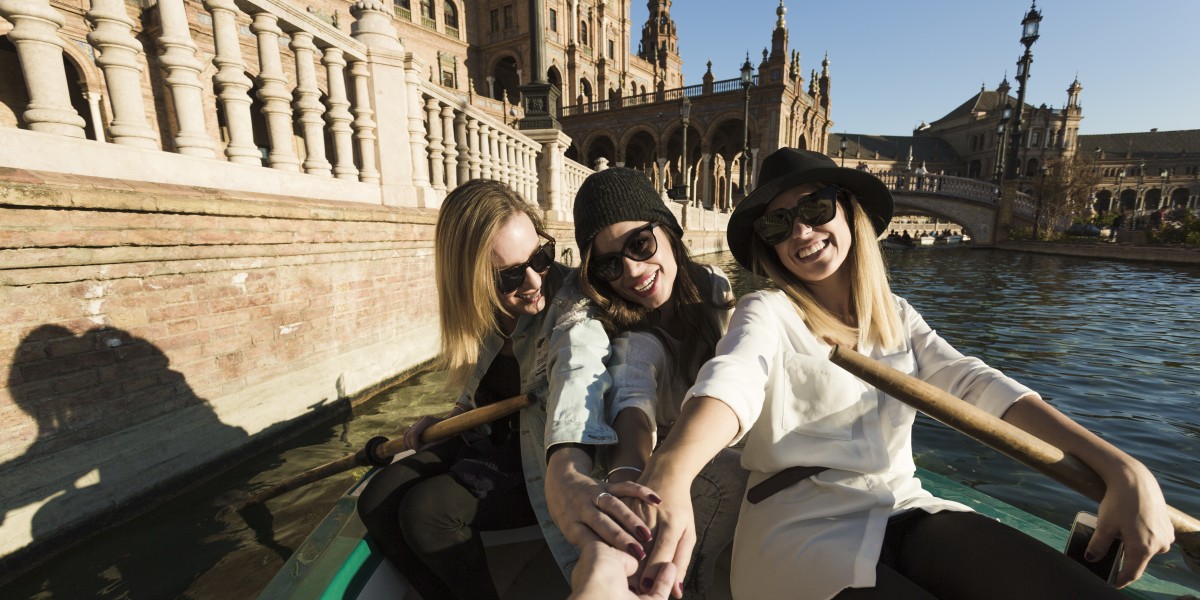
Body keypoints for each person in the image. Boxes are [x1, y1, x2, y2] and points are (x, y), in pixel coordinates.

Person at [631, 149, 1174, 599]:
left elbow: (976, 385)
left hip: (900, 504)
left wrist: (1123, 468)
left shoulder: (897, 315)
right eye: (777, 224)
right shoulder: (768, 311)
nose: (801, 230)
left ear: (848, 211)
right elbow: (733, 381)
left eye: (815, 207)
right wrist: (672, 472)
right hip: (798, 527)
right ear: (769, 245)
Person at [356, 179, 644, 599]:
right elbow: (480, 391)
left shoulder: (572, 310)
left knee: (427, 513)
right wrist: (453, 418)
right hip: (486, 442)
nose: (534, 281)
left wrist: (567, 467)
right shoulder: (486, 308)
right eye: (509, 275)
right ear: (471, 279)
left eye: (540, 257)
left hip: (536, 458)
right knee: (375, 502)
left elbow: (578, 372)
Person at [569, 167, 749, 598]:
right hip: (667, 460)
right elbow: (632, 399)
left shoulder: (714, 286)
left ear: (668, 231)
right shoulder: (634, 338)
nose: (632, 270)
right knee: (728, 475)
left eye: (640, 244)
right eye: (610, 264)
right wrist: (632, 478)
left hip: (714, 440)